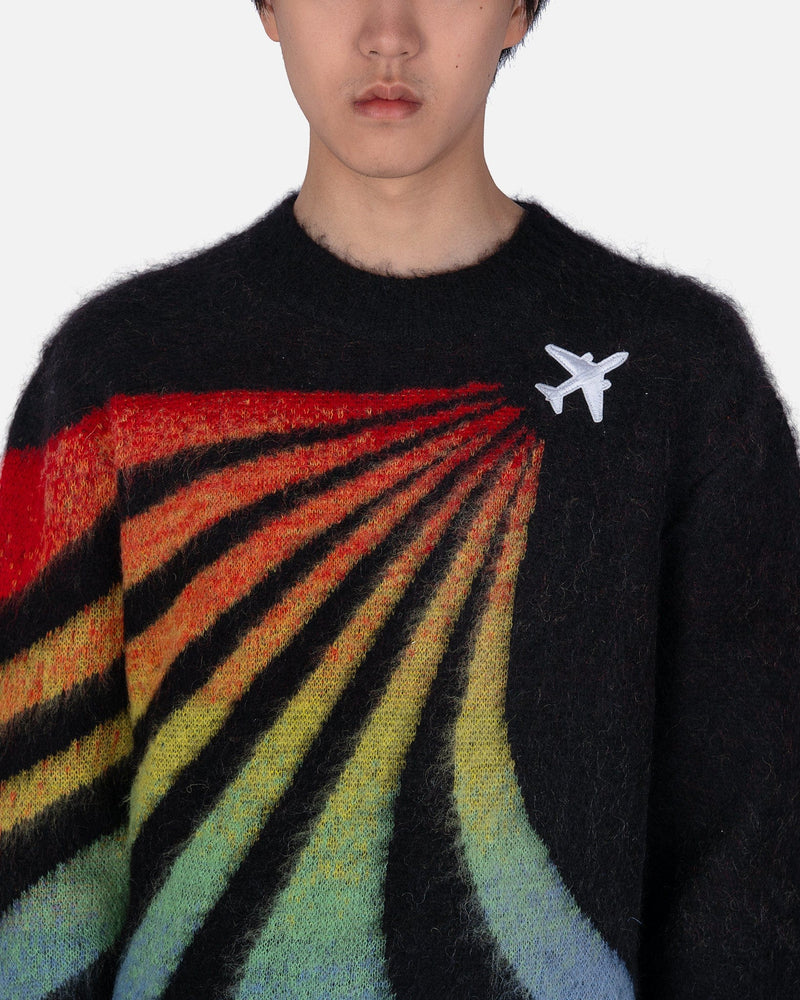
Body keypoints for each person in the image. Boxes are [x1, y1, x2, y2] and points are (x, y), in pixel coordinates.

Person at [0, 0, 798, 997]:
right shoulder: (112, 381)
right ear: (268, 9)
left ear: (516, 12)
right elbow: (36, 852)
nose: (388, 31)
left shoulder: (680, 378)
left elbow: (752, 849)